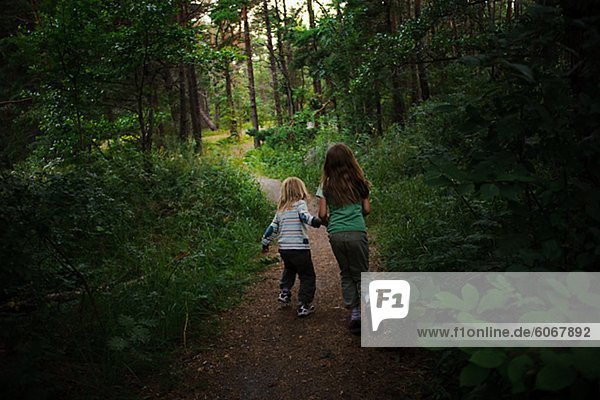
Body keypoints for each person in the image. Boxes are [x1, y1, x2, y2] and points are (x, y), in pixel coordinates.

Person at [317, 143, 371, 334]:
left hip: (336, 234)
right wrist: (355, 219)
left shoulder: (326, 185)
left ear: (328, 163)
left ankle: (355, 313)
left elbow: (322, 214)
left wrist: (330, 223)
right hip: (357, 232)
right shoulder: (359, 182)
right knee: (362, 273)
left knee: (346, 272)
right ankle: (369, 312)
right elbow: (366, 209)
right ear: (351, 160)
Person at [262, 177, 322, 317]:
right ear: (301, 190)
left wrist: (265, 243)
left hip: (284, 249)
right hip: (299, 248)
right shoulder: (300, 204)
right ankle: (303, 305)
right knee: (307, 276)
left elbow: (271, 229)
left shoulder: (281, 209)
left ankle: (285, 291)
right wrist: (316, 221)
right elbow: (304, 216)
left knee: (289, 269)